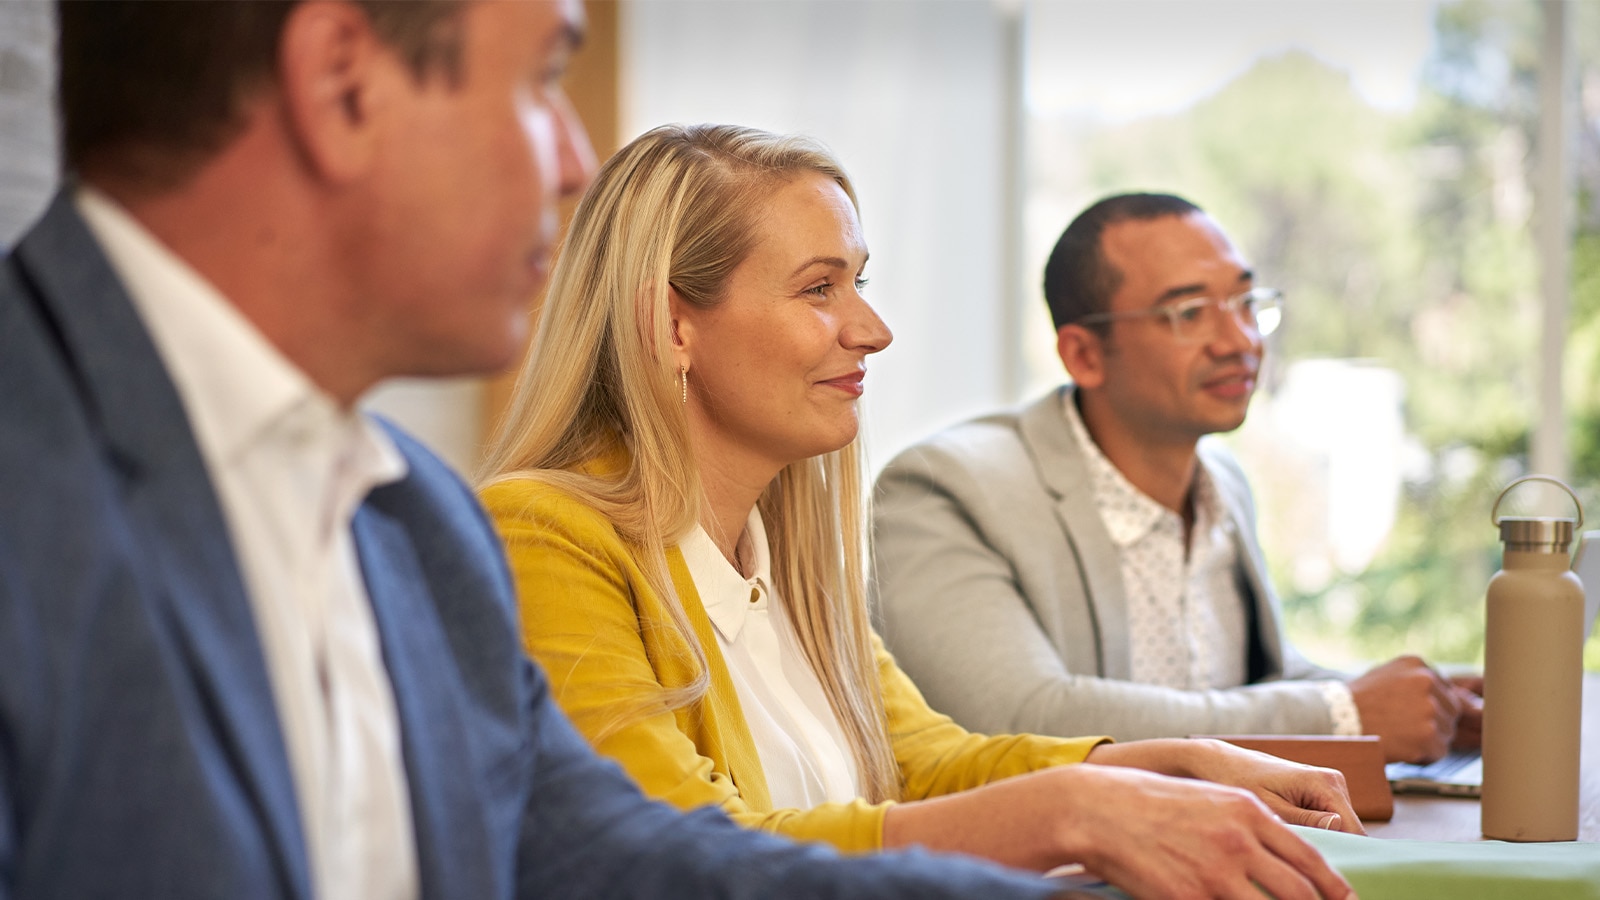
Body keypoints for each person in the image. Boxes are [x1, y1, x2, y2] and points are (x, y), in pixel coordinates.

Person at [0, 2, 1095, 897]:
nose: (575, 162)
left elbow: (628, 862)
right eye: (540, 82)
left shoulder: (416, 519)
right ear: (341, 84)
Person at [480, 124, 1362, 900]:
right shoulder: (545, 537)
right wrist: (1073, 811)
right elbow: (679, 862)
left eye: (859, 281)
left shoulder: (780, 557)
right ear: (674, 325)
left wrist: (1169, 767)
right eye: (819, 289)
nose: (872, 328)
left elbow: (921, 765)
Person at [872, 192, 1482, 766]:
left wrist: (1429, 697)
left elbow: (1253, 688)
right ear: (1084, 354)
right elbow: (1017, 719)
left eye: (1246, 304)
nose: (1240, 341)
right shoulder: (942, 488)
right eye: (1190, 313)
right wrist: (1341, 714)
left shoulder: (1223, 479)